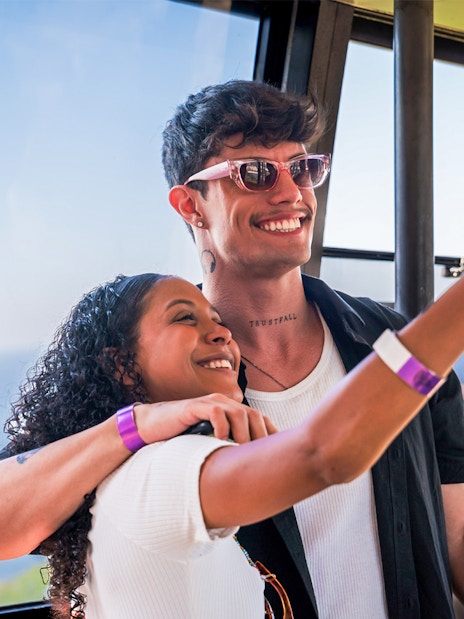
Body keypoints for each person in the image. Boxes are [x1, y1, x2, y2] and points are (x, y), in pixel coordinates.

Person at [0, 79, 463, 618]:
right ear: (190, 204)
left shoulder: (386, 334)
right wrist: (134, 424)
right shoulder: (166, 382)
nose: (292, 193)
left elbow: (455, 534)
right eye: (256, 173)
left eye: (304, 167)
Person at [5, 271, 464, 619]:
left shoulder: (117, 473)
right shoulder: (161, 470)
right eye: (185, 318)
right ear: (122, 365)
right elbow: (322, 455)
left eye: (217, 319)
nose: (223, 333)